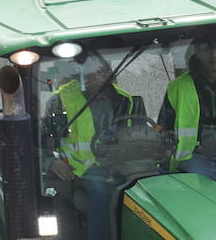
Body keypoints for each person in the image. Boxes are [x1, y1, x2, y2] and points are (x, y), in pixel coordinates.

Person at [46, 52, 146, 238]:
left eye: (98, 71)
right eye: (87, 71)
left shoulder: (125, 100)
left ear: (108, 72)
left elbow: (141, 136)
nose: (93, 75)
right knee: (101, 193)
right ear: (79, 73)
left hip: (123, 169)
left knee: (152, 190)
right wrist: (51, 162)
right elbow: (40, 141)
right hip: (78, 173)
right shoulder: (59, 101)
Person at [160, 26, 216, 182]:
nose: (214, 55)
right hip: (193, 159)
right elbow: (163, 130)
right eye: (207, 49)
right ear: (196, 51)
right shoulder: (178, 87)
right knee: (199, 191)